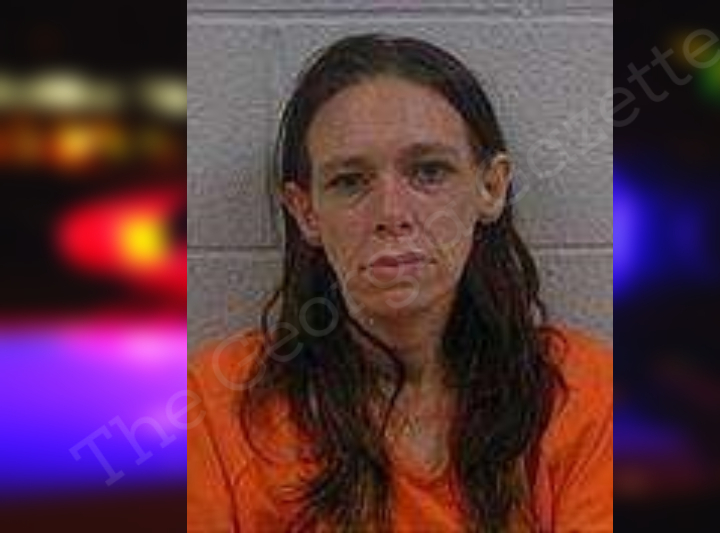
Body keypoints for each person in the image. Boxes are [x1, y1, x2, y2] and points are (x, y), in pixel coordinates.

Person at [187, 33, 612, 532]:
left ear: (490, 188)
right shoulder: (213, 407)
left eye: (429, 172)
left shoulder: (583, 393)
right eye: (350, 180)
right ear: (306, 212)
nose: (391, 214)